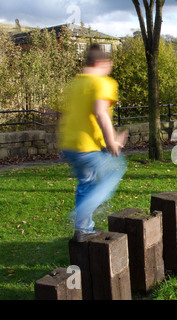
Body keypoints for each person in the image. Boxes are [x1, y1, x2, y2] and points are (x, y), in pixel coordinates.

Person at [58, 43, 128, 242]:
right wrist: (112, 141)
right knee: (116, 169)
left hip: (70, 146)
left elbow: (63, 114)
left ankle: (83, 228)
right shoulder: (101, 82)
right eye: (108, 64)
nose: (110, 69)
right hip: (88, 146)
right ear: (100, 62)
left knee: (86, 183)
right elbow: (100, 112)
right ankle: (81, 212)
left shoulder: (74, 83)